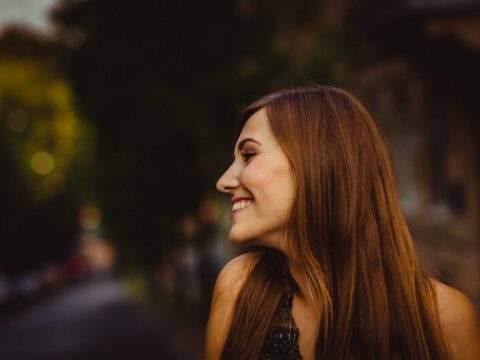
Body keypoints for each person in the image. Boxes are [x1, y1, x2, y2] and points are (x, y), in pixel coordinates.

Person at [205, 86, 480, 360]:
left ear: (316, 161)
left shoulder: (446, 319)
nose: (224, 181)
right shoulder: (239, 286)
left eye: (249, 155)